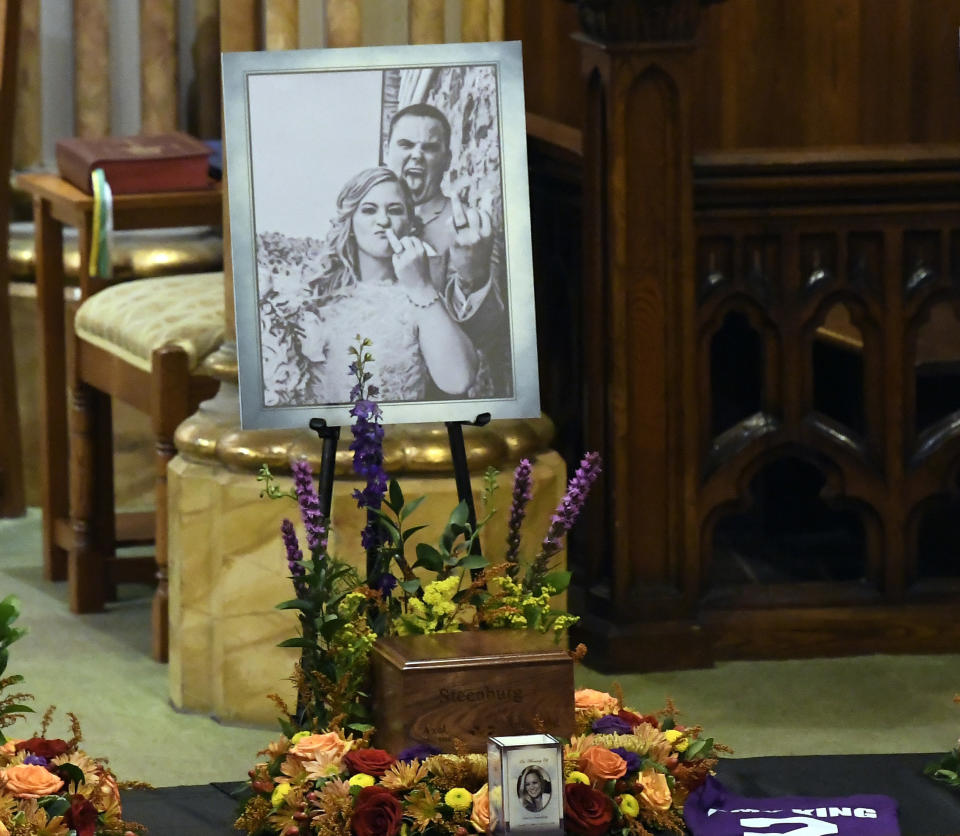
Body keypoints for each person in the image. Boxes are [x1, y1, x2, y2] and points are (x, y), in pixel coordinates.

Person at [290, 166, 478, 405]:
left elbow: (459, 381)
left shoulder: (423, 296)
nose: (383, 221)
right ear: (350, 224)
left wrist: (420, 286)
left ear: (410, 223)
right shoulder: (317, 297)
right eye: (369, 210)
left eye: (395, 210)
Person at [384, 103, 511, 396]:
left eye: (429, 147)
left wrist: (473, 275)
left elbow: (488, 335)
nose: (416, 154)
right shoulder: (367, 219)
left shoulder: (471, 229)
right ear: (388, 150)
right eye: (405, 144)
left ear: (447, 159)